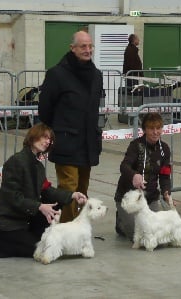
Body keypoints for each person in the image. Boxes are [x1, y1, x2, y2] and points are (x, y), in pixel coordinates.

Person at [0, 123, 88, 259]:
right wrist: (39, 206)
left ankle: (20, 237)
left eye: (50, 139)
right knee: (38, 249)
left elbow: (47, 190)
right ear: (33, 137)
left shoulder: (37, 166)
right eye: (44, 137)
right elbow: (13, 197)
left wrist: (72, 194)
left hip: (22, 217)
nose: (48, 141)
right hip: (3, 220)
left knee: (52, 209)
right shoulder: (16, 162)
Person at [38, 30, 103, 223]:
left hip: (88, 142)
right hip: (66, 142)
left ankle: (79, 231)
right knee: (69, 188)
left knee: (82, 189)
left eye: (90, 46)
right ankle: (65, 232)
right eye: (83, 46)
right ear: (72, 48)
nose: (87, 50)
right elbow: (45, 110)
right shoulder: (57, 74)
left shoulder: (97, 75)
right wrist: (59, 131)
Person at [114, 112, 173, 240]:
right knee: (138, 236)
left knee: (156, 233)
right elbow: (124, 166)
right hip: (129, 197)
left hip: (150, 198)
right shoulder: (135, 146)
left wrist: (166, 191)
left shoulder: (165, 149)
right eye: (151, 128)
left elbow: (165, 175)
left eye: (158, 128)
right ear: (145, 130)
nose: (156, 132)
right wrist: (134, 175)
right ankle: (121, 220)